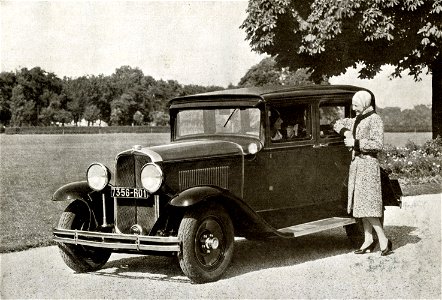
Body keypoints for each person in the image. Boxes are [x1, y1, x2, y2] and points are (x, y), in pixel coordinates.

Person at [333, 90, 393, 256]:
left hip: (368, 166)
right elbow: (337, 122)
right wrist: (345, 131)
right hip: (357, 166)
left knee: (368, 207)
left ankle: (383, 239)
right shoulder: (356, 120)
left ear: (365, 103)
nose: (353, 108)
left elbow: (377, 144)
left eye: (356, 105)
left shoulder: (375, 119)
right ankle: (368, 240)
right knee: (361, 206)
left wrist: (356, 142)